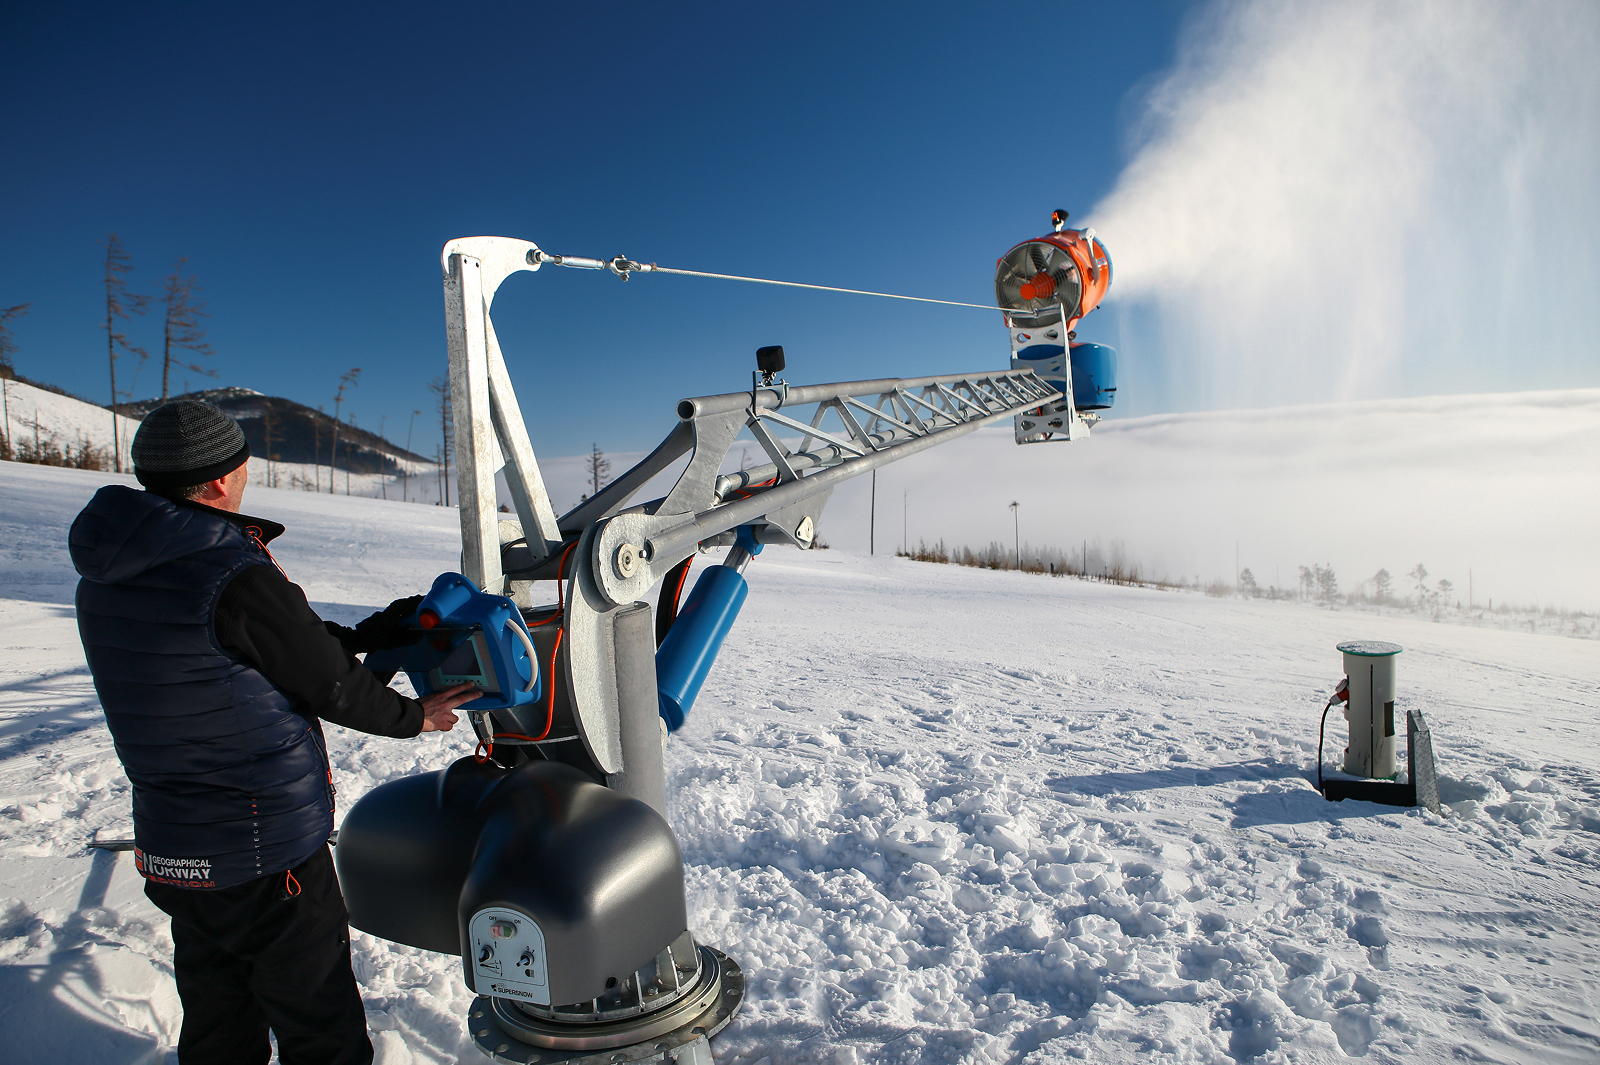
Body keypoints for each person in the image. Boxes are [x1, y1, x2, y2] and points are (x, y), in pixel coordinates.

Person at [70, 399, 480, 1065]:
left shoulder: (109, 572)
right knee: (320, 1025)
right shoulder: (228, 570)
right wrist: (415, 716)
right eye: (242, 467)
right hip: (263, 849)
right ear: (218, 481)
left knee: (218, 1018)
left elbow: (264, 642)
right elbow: (326, 682)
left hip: (177, 846)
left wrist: (369, 635)